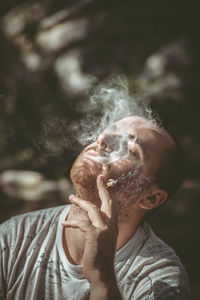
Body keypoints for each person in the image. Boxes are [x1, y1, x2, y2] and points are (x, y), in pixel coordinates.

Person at [0, 115, 190, 300]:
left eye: (129, 149)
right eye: (108, 132)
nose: (101, 140)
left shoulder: (161, 282)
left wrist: (102, 279)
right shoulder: (14, 236)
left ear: (151, 198)